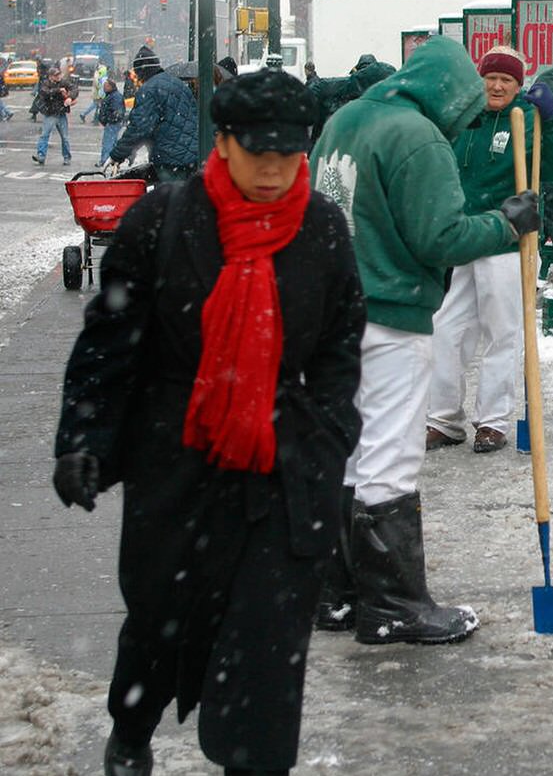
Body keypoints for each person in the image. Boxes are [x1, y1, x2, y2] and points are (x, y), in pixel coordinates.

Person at [52, 69, 365, 776]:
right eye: (258, 152)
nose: (274, 170)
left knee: (267, 643)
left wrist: (329, 439)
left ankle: (250, 761)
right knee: (161, 620)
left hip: (282, 471)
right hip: (178, 458)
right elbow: (110, 342)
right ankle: (132, 727)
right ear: (221, 143)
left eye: (289, 155)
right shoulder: (162, 220)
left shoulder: (321, 230)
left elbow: (343, 346)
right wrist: (83, 442)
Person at [309, 35, 540, 644]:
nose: (460, 121)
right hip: (390, 314)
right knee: (391, 451)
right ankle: (392, 606)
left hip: (335, 311)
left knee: (350, 449)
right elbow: (440, 239)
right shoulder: (416, 137)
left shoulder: (345, 119)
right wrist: (508, 223)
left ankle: (337, 592)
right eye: (461, 109)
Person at [424, 46, 553, 454]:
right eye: (491, 78)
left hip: (509, 242)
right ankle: (443, 419)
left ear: (517, 85)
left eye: (506, 80)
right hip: (465, 238)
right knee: (447, 329)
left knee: (501, 332)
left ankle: (491, 422)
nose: (496, 85)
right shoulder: (466, 120)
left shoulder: (528, 119)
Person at [108, 46, 200, 183]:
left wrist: (118, 154)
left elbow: (139, 127)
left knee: (170, 200)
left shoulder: (149, 90)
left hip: (170, 159)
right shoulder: (178, 84)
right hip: (193, 156)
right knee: (187, 199)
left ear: (141, 72)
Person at [31, 66, 76, 166]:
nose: (58, 76)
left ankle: (67, 157)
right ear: (51, 76)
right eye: (56, 75)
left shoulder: (64, 82)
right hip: (50, 113)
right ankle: (41, 156)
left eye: (59, 74)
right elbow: (45, 92)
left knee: (64, 137)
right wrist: (58, 90)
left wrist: (70, 97)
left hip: (61, 113)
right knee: (44, 135)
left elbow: (74, 89)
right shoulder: (46, 84)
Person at [95, 76, 126, 168]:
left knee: (108, 142)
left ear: (111, 87)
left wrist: (108, 120)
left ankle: (104, 161)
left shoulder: (115, 96)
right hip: (113, 123)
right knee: (113, 142)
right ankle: (114, 160)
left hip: (113, 123)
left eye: (106, 86)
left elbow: (117, 112)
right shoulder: (112, 95)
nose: (104, 88)